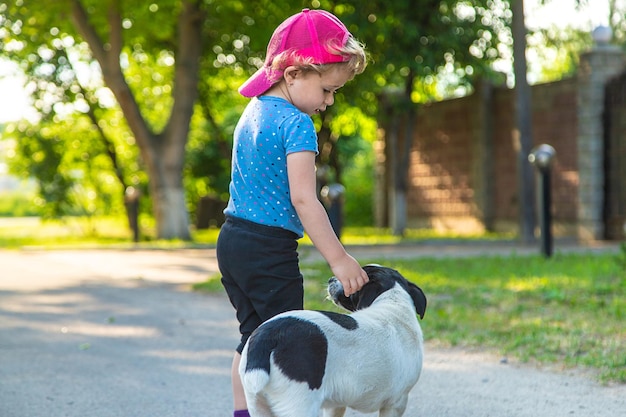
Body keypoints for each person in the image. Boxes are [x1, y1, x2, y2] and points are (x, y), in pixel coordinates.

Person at [216, 8, 370, 417]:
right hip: (268, 249)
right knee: (286, 340)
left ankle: (244, 412)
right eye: (327, 89)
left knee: (252, 337)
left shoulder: (252, 112)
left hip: (232, 240)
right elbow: (305, 200)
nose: (329, 101)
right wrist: (340, 259)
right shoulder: (296, 125)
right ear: (294, 74)